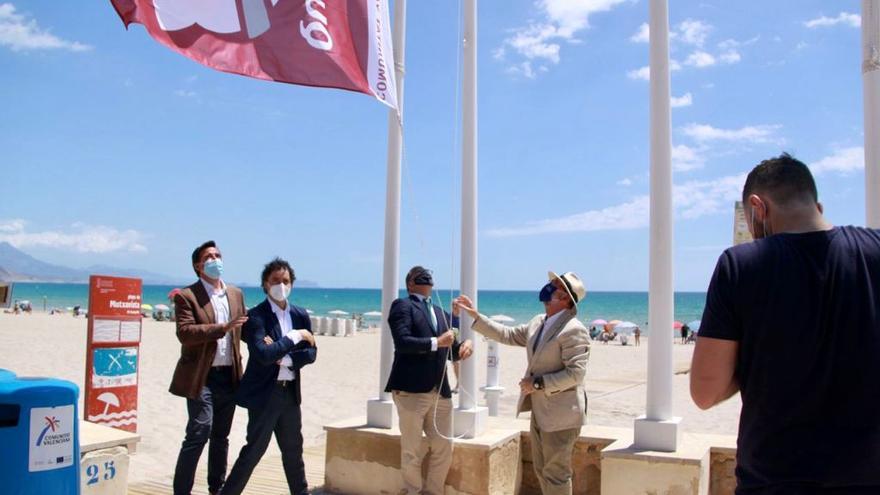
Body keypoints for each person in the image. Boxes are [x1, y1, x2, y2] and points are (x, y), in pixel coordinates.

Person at [690, 153, 880, 494]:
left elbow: (705, 392)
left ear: (758, 207)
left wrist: (750, 359)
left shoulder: (740, 265)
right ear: (816, 206)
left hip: (775, 477)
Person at [455, 271, 589, 495]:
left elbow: (576, 374)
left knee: (556, 474)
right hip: (540, 410)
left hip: (562, 415)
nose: (548, 286)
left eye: (554, 285)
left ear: (565, 298)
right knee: (541, 470)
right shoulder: (538, 321)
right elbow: (508, 334)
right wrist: (476, 317)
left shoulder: (574, 329)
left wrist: (537, 384)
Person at [221, 258, 316, 495]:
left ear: (292, 283)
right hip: (265, 395)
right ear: (265, 284)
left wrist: (285, 358)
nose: (280, 285)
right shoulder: (257, 317)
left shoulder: (300, 314)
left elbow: (311, 352)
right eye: (275, 280)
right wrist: (295, 337)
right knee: (254, 451)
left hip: (290, 393)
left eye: (285, 280)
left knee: (294, 453)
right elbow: (263, 354)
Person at [385, 266, 474, 495]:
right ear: (410, 284)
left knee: (444, 446)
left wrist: (465, 346)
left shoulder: (440, 311)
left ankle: (434, 492)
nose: (426, 276)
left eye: (428, 274)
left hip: (440, 393)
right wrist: (436, 342)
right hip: (411, 390)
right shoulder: (402, 305)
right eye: (419, 275)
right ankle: (413, 491)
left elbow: (451, 348)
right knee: (411, 451)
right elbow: (403, 341)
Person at [170, 240, 248, 495]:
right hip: (200, 377)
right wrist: (221, 328)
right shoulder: (187, 295)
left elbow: (245, 329)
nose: (215, 259)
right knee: (199, 431)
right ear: (198, 265)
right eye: (209, 256)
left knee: (221, 436)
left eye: (218, 254)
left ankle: (217, 488)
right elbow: (185, 333)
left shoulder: (235, 294)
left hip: (229, 376)